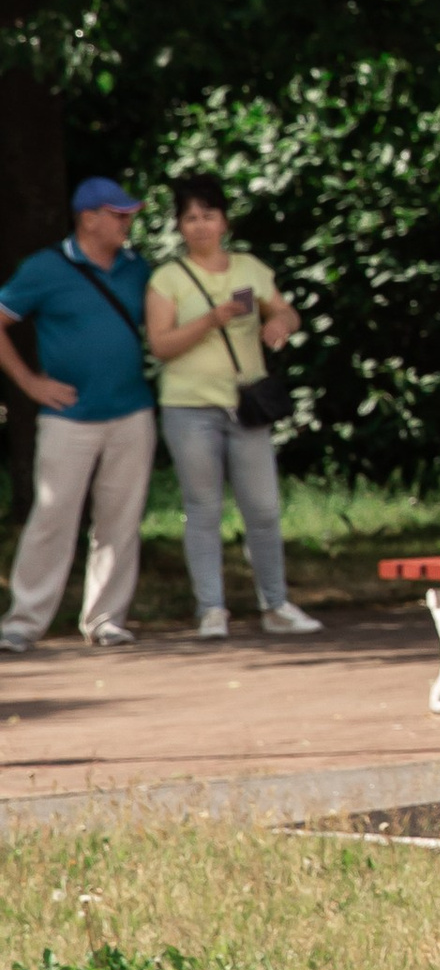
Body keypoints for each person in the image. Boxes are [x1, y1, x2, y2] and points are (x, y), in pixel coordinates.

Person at [144, 174, 320, 639]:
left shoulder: (249, 268)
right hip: (190, 407)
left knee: (262, 509)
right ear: (179, 226)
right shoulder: (168, 278)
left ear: (225, 221)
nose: (200, 225)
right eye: (190, 217)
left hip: (246, 406)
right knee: (202, 509)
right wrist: (211, 319)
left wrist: (278, 323)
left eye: (208, 215)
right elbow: (160, 345)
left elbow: (286, 311)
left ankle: (276, 605)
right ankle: (211, 610)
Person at [0, 177, 157, 653]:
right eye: (119, 214)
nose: (128, 223)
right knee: (52, 518)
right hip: (69, 417)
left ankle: (107, 620)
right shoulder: (46, 268)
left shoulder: (138, 269)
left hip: (132, 412)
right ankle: (23, 622)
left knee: (121, 521)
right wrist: (29, 383)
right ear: (89, 218)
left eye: (130, 214)